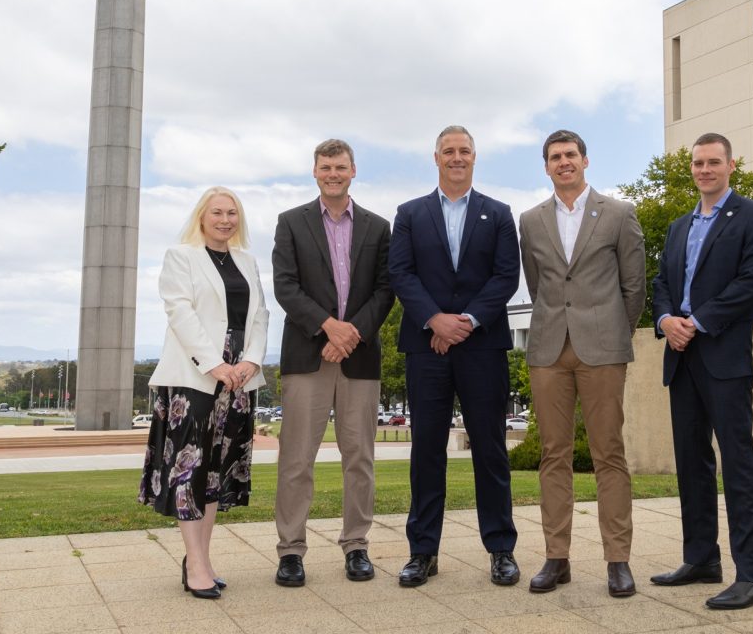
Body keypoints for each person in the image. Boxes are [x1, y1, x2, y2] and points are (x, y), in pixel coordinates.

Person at [650, 133, 753, 611]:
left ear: (730, 166)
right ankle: (701, 558)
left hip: (723, 356)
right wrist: (666, 321)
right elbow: (662, 281)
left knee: (738, 464)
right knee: (692, 463)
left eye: (713, 162)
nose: (704, 170)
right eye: (698, 163)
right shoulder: (678, 226)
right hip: (680, 356)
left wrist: (697, 322)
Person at [388, 125, 520, 588]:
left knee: (490, 449)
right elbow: (401, 274)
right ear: (436, 158)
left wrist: (463, 321)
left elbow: (506, 278)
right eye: (449, 151)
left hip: (482, 346)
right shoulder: (409, 213)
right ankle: (423, 552)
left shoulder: (499, 214)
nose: (457, 157)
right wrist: (435, 320)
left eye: (464, 150)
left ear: (475, 157)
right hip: (425, 348)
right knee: (426, 452)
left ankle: (501, 549)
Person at [518, 130, 645, 599]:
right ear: (546, 166)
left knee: (608, 453)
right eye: (555, 157)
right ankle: (557, 558)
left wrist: (613, 331)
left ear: (585, 161)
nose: (564, 163)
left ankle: (618, 560)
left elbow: (635, 287)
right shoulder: (530, 221)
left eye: (571, 155)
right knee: (554, 455)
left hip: (604, 349)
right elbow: (537, 285)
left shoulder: (619, 214)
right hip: (549, 349)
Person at [271, 138, 395, 587]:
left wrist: (350, 334)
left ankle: (357, 545)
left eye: (340, 167)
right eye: (326, 167)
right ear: (315, 171)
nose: (333, 174)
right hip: (308, 356)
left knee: (360, 457)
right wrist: (328, 327)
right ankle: (290, 551)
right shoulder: (290, 223)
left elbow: (386, 290)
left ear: (354, 170)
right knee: (296, 460)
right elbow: (285, 287)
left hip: (358, 357)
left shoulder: (380, 228)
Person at [140, 186, 270, 599]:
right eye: (217, 212)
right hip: (195, 375)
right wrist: (214, 365)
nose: (225, 219)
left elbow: (261, 315)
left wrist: (250, 361)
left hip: (239, 376)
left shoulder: (248, 261)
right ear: (202, 216)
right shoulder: (181, 256)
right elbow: (180, 312)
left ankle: (202, 558)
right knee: (189, 471)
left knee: (216, 469)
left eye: (232, 213)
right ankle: (194, 562)